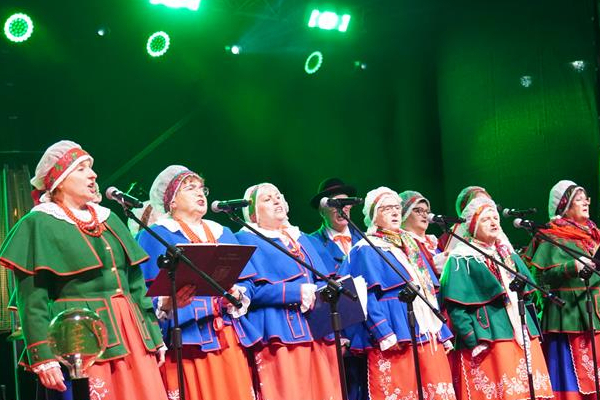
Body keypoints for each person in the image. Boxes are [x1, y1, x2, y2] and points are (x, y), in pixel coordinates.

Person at [0, 140, 168, 400]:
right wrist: (43, 357)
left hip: (133, 332)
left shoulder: (109, 218)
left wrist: (154, 336)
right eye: (81, 169)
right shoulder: (39, 223)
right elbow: (32, 300)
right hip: (80, 337)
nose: (93, 175)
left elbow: (134, 284)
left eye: (91, 167)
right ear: (60, 180)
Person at [137, 165, 260, 400]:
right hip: (188, 338)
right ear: (171, 201)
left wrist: (238, 294)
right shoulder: (155, 234)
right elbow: (142, 292)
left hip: (227, 334)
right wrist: (166, 303)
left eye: (202, 188)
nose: (199, 193)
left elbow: (249, 283)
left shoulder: (222, 231)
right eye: (190, 188)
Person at [338, 187, 455, 400]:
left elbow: (428, 290)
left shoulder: (410, 244)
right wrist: (383, 332)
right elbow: (365, 297)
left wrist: (442, 331)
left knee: (436, 391)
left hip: (427, 331)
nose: (394, 212)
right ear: (373, 215)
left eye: (396, 207)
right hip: (396, 331)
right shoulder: (366, 248)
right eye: (386, 208)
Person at [236, 182, 342, 400]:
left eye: (278, 196)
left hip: (317, 327)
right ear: (253, 214)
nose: (276, 201)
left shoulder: (301, 237)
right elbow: (251, 292)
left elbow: (321, 278)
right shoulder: (245, 238)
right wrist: (296, 292)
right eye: (267, 199)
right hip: (279, 330)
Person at [440, 196, 553, 400]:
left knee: (529, 392)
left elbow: (527, 294)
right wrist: (472, 339)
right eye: (486, 219)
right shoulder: (462, 257)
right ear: (473, 226)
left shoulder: (506, 254)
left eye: (495, 218)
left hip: (521, 331)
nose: (493, 222)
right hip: (490, 335)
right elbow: (456, 307)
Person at [523, 180, 600, 400]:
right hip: (569, 316)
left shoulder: (593, 234)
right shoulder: (551, 235)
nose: (585, 202)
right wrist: (571, 267)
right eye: (578, 199)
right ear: (564, 205)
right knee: (575, 378)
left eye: (586, 198)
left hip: (596, 310)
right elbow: (539, 278)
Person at [308, 177, 367, 400]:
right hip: (340, 329)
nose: (342, 208)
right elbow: (318, 290)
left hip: (371, 329)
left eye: (346, 203)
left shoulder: (367, 240)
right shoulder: (311, 243)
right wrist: (336, 335)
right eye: (335, 204)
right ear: (322, 209)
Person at [399, 190, 446, 274]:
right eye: (418, 211)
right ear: (404, 213)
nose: (425, 215)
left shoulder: (435, 242)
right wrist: (433, 265)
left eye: (427, 212)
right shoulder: (401, 243)